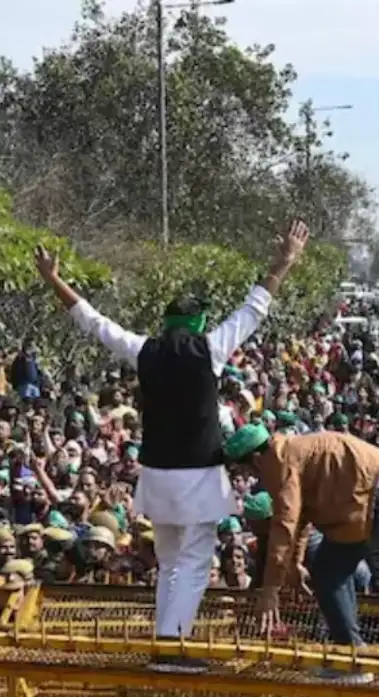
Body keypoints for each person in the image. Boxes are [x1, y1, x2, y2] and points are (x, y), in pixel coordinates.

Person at [32, 219, 308, 673]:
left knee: (170, 564)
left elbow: (93, 321)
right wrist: (283, 263)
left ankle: (167, 644)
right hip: (197, 479)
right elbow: (254, 308)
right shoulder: (211, 348)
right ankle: (172, 650)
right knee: (194, 564)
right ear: (198, 322)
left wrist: (53, 279)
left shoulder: (145, 351)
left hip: (157, 478)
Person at [223, 423, 379, 683]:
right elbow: (301, 518)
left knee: (328, 571)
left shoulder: (281, 462)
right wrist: (296, 563)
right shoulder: (291, 451)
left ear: (257, 458)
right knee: (331, 569)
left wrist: (270, 590)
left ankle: (352, 659)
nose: (252, 479)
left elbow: (286, 524)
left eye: (247, 471)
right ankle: (351, 652)